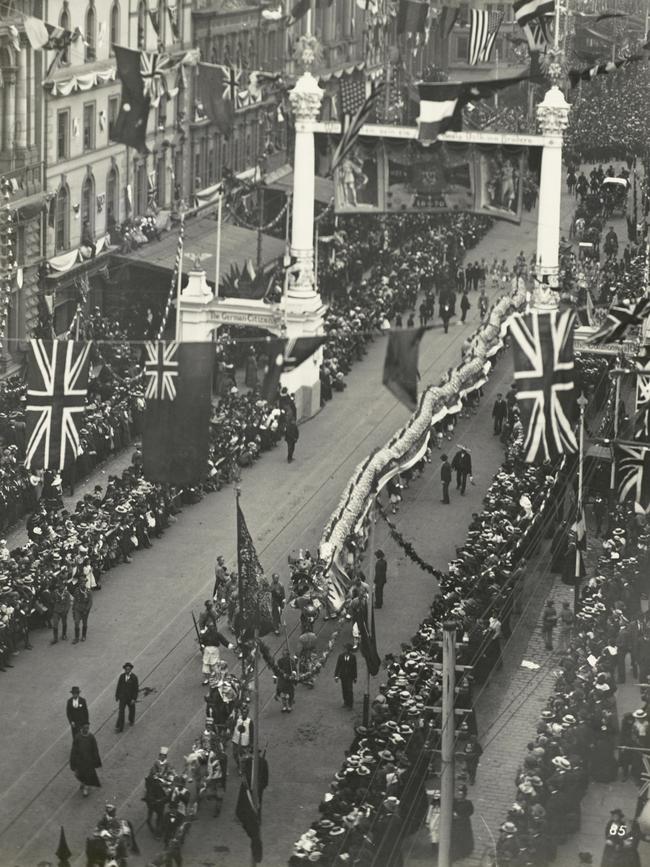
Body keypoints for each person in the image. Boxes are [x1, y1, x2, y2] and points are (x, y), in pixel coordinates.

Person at [70, 722, 102, 797]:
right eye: (85, 728)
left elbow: (95, 749)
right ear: (82, 728)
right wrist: (73, 761)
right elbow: (74, 750)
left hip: (89, 761)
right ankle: (83, 783)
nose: (87, 729)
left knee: (88, 775)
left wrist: (96, 760)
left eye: (88, 728)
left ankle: (86, 788)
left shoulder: (91, 737)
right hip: (80, 761)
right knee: (79, 774)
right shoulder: (78, 737)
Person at [114, 662, 139, 732]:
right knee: (121, 712)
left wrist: (134, 699)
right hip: (122, 698)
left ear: (131, 669)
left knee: (132, 710)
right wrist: (117, 696)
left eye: (128, 669)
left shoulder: (134, 677)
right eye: (126, 669)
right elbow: (118, 686)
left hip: (130, 698)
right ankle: (119, 727)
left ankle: (131, 720)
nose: (127, 670)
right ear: (125, 669)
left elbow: (136, 689)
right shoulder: (122, 676)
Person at [334, 643, 357, 709]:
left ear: (349, 650)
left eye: (346, 649)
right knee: (344, 689)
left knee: (349, 690)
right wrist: (336, 676)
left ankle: (350, 704)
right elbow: (338, 666)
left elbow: (354, 667)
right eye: (344, 649)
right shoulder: (340, 656)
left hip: (350, 676)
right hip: (343, 676)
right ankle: (345, 702)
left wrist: (355, 677)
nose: (344, 650)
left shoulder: (353, 657)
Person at [232, 704, 253, 771]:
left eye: (245, 712)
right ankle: (239, 765)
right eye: (243, 712)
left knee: (243, 756)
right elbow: (232, 725)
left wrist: (251, 743)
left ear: (247, 713)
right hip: (236, 740)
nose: (244, 714)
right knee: (235, 754)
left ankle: (242, 767)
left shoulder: (250, 722)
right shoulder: (237, 719)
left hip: (244, 742)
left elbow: (252, 732)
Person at [72, 580, 93, 644]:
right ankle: (76, 637)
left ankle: (84, 636)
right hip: (77, 608)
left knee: (84, 622)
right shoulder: (76, 591)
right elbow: (75, 600)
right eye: (81, 583)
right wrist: (73, 609)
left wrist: (86, 610)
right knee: (76, 622)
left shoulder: (88, 591)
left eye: (84, 583)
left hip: (85, 609)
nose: (83, 585)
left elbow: (90, 602)